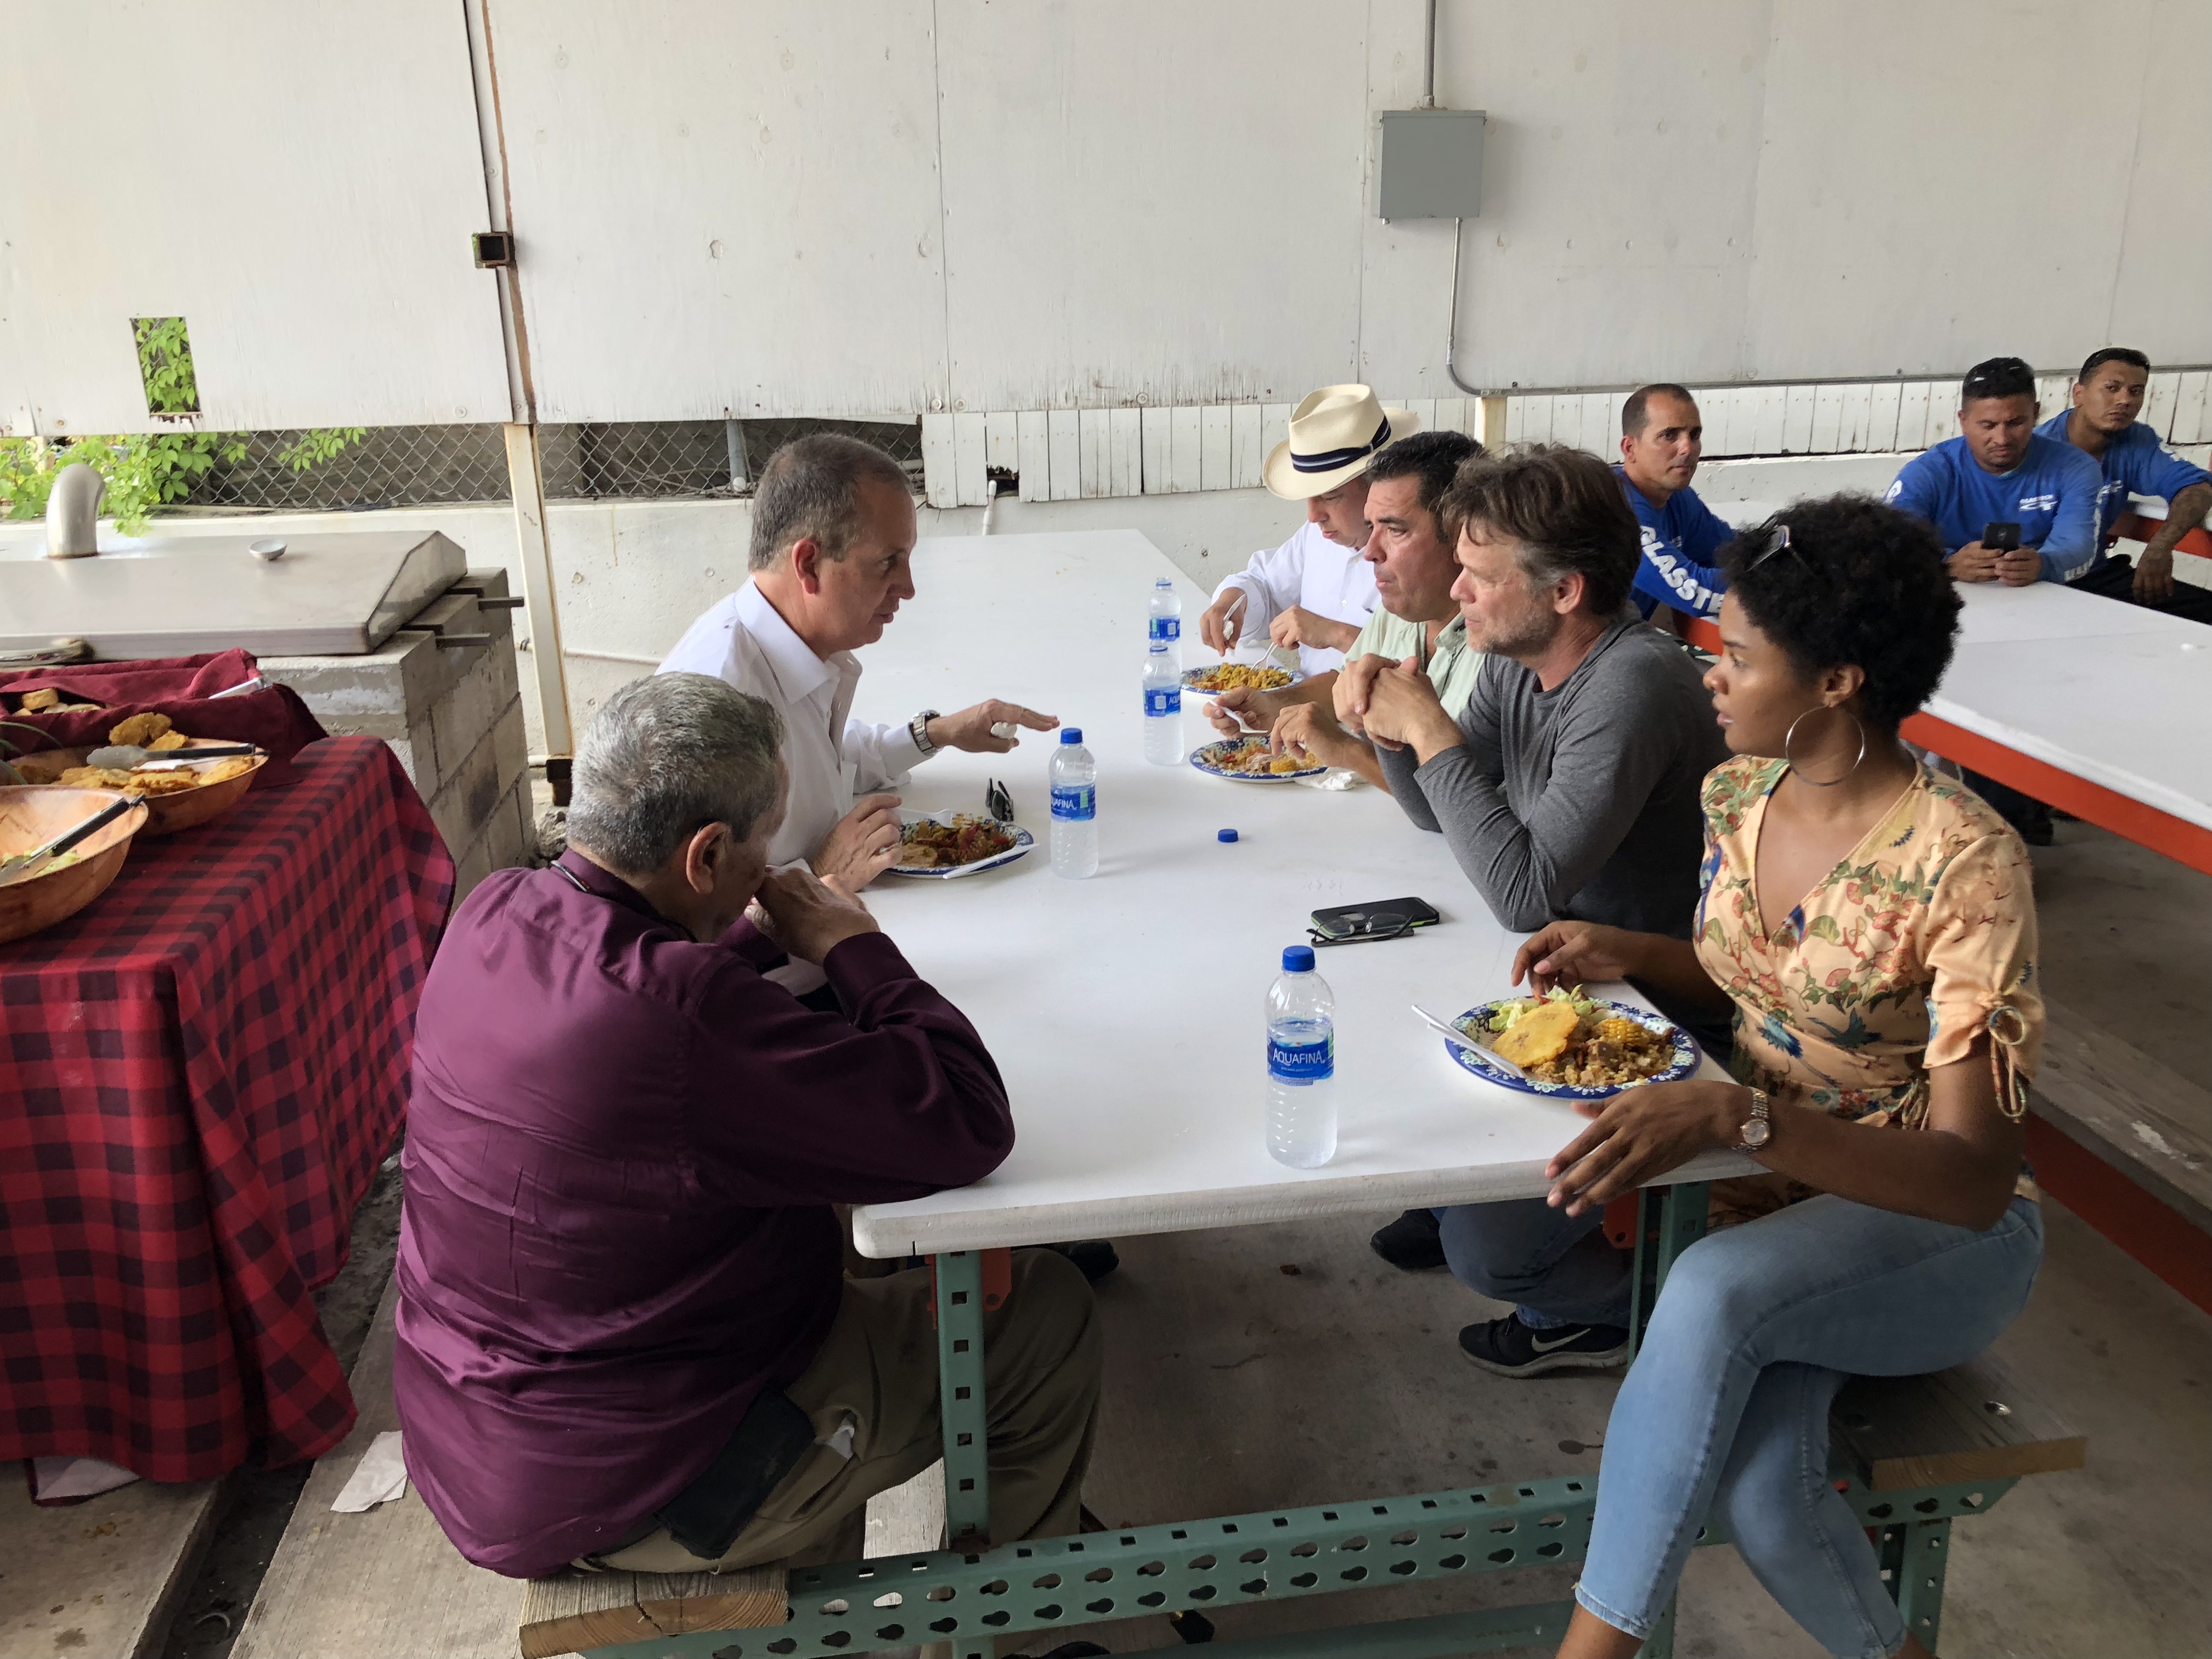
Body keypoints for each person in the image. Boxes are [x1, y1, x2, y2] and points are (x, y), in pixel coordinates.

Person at [394, 674, 1103, 1581]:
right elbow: (966, 1115)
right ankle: (1014, 1638)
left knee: (830, 1230)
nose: (774, 865)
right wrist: (852, 942)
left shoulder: (493, 908)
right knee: (1040, 1310)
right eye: (764, 844)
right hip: (639, 1480)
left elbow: (643, 1011)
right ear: (705, 854)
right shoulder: (683, 1013)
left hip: (479, 1440)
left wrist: (759, 932)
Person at [1520, 495, 2043, 1659]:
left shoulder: (1965, 864)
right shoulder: (1738, 797)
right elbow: (1760, 985)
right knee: (1767, 1494)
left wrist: (1743, 1118)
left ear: (1839, 683)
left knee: (1708, 1295)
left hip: (1932, 1233)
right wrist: (1630, 957)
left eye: (1739, 654)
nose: (1711, 669)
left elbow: (1972, 1180)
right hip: (1774, 1206)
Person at [1345, 445, 1728, 1368]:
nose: (1460, 592)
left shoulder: (1630, 683)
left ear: (1563, 591)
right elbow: (1436, 814)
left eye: (1478, 575)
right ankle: (1467, 1205)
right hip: (1574, 972)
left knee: (1492, 1251)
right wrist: (1394, 724)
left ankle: (1635, 1307)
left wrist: (1431, 729)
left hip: (1669, 1012)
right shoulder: (1518, 657)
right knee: (1394, 1076)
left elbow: (1520, 892)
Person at [659, 435, 1058, 914]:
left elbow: (821, 763)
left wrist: (937, 734)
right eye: (889, 562)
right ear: (808, 564)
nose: (907, 589)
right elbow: (690, 932)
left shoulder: (788, 646)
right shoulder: (717, 698)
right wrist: (826, 875)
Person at [1202, 430, 1482, 786]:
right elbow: (1347, 683)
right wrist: (1274, 706)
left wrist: (1348, 750)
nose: (1370, 552)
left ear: (1461, 535)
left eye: (1395, 529)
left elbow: (1455, 793)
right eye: (1374, 526)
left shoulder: (1498, 644)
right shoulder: (1401, 609)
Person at [1195, 384, 1417, 674]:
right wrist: (1233, 601)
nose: (1313, 516)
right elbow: (1267, 585)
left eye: (1330, 497)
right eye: (1309, 498)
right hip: (1311, 707)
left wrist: (1334, 634)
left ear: (1377, 485)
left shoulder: (1416, 555)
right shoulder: (1317, 537)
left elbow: (1421, 665)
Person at [1883, 356, 2102, 589]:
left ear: (2036, 414)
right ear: (1963, 421)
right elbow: (1888, 543)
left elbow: (2079, 546)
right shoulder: (1927, 472)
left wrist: (2044, 564)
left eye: (2015, 423)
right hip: (1946, 598)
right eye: (1988, 426)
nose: (2002, 439)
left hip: (2043, 596)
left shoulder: (2077, 468)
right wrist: (1947, 564)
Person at [2038, 346, 2212, 624]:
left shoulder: (2137, 440)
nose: (2124, 400)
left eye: (2136, 391)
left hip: (2094, 575)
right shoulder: (2037, 450)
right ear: (2079, 394)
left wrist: (2160, 546)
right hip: (2036, 581)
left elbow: (2197, 488)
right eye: (2112, 388)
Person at [1614, 383, 1736, 629]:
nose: (1687, 448)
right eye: (1669, 436)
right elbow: (1696, 591)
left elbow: (1733, 553)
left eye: (1694, 435)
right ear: (1630, 449)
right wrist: (1778, 583)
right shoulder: (1618, 507)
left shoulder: (1679, 499)